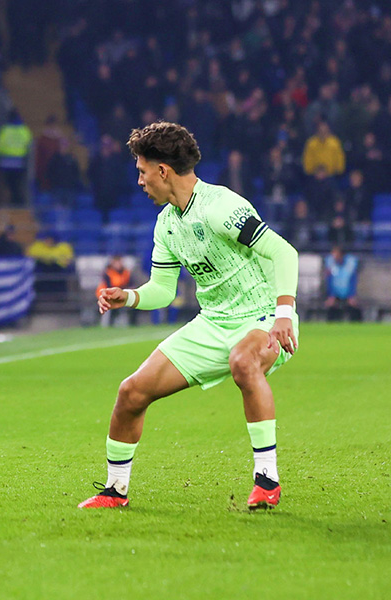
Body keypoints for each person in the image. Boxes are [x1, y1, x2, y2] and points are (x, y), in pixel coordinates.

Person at [80, 122, 299, 511]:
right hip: (213, 322)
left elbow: (284, 253)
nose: (140, 181)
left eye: (142, 171)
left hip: (262, 315)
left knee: (243, 362)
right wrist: (127, 297)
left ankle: (267, 480)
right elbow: (163, 291)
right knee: (131, 392)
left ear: (162, 171)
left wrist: (284, 313)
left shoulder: (221, 208)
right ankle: (115, 490)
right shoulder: (166, 223)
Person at [323, 246, 360, 322]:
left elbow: (353, 281)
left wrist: (351, 295)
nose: (333, 255)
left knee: (354, 309)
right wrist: (331, 295)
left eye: (335, 253)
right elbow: (329, 281)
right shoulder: (331, 264)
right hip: (335, 294)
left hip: (348, 293)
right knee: (331, 309)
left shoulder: (350, 265)